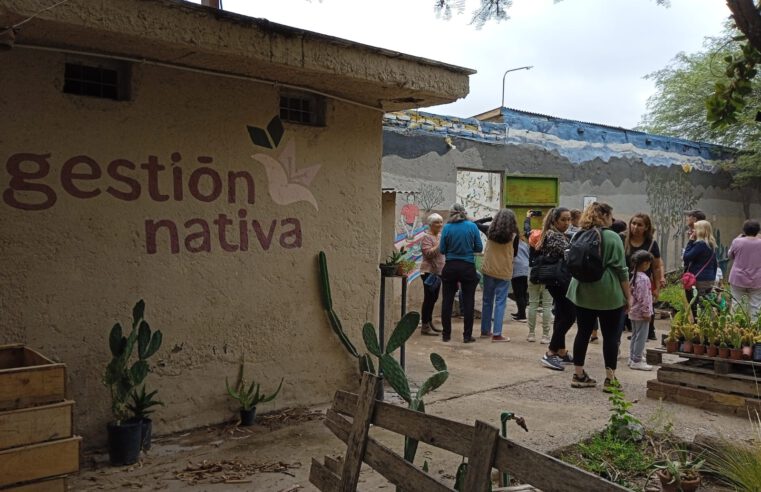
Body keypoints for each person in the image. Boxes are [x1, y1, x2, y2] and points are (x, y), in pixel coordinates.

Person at [566, 202, 631, 391]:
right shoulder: (612, 237)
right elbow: (621, 270)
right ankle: (610, 379)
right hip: (608, 293)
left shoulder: (579, 234)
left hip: (581, 290)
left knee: (583, 332)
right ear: (605, 216)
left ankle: (578, 374)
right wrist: (629, 296)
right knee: (610, 336)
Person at [536, 207, 575, 371]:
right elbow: (570, 256)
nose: (567, 223)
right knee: (570, 316)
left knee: (561, 315)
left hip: (556, 281)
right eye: (563, 220)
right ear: (554, 221)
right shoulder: (555, 236)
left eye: (569, 219)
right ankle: (551, 352)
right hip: (559, 281)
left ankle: (561, 351)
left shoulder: (554, 234)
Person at [439, 203, 483, 343]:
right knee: (469, 301)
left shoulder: (446, 228)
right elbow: (479, 247)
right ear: (464, 212)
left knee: (447, 300)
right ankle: (467, 336)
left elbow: (442, 249)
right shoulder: (472, 226)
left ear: (451, 213)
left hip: (450, 266)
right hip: (468, 267)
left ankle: (446, 335)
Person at [622, 213, 665, 341]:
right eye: (633, 223)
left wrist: (657, 288)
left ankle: (646, 334)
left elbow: (656, 266)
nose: (635, 227)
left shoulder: (651, 244)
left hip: (642, 285)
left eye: (639, 225)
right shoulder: (622, 239)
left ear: (646, 227)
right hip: (624, 284)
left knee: (644, 309)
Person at [480, 209, 519, 342]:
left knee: (487, 300)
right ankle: (497, 334)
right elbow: (515, 254)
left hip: (489, 269)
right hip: (504, 270)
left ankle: (485, 331)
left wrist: (487, 219)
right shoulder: (514, 235)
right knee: (500, 302)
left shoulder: (489, 231)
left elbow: (474, 224)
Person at [683, 220, 718, 319]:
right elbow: (715, 263)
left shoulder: (701, 244)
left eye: (695, 229)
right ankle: (707, 323)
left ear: (700, 231)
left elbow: (687, 257)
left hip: (699, 279)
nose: (693, 231)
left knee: (701, 304)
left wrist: (690, 242)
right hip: (709, 278)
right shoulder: (711, 244)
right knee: (706, 302)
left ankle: (704, 325)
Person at [728, 219, 761, 321]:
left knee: (736, 303)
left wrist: (737, 239)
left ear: (744, 230)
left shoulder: (737, 241)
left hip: (738, 278)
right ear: (758, 231)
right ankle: (754, 328)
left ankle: (733, 327)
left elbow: (730, 255)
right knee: (755, 304)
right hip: (757, 279)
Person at [627, 250, 655, 371]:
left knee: (635, 335)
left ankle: (633, 356)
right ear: (645, 264)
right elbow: (644, 297)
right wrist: (646, 312)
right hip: (641, 313)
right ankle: (636, 360)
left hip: (633, 311)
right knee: (641, 336)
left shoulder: (634, 276)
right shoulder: (644, 279)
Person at [419, 213, 445, 336]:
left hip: (438, 273)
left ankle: (429, 322)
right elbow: (428, 253)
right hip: (428, 272)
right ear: (430, 225)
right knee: (428, 299)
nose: (440, 225)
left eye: (441, 222)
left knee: (434, 299)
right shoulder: (426, 237)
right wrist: (440, 244)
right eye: (437, 222)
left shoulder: (439, 236)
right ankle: (425, 325)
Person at [527, 229, 553, 344]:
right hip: (548, 274)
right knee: (547, 306)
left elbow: (526, 231)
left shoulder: (532, 243)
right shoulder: (551, 243)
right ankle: (545, 335)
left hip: (534, 272)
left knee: (533, 304)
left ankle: (531, 334)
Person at [510, 236, 530, 324]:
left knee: (518, 294)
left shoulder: (512, 243)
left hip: (517, 268)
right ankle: (520, 312)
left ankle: (522, 316)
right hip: (525, 269)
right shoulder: (525, 244)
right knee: (523, 293)